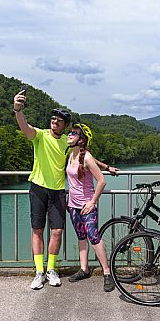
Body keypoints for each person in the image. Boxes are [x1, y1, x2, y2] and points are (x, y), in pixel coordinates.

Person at [13, 88, 118, 290]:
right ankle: (39, 272)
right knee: (37, 230)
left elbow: (86, 156)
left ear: (65, 126)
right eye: (53, 119)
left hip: (59, 192)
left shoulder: (67, 143)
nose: (55, 122)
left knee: (58, 232)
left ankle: (51, 269)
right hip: (38, 188)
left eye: (59, 121)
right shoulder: (41, 136)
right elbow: (25, 128)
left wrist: (106, 167)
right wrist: (18, 109)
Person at [66, 123, 115, 292]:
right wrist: (106, 165)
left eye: (74, 133)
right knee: (81, 236)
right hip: (73, 205)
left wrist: (93, 201)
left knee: (94, 237)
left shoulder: (86, 157)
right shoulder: (70, 154)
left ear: (81, 139)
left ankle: (107, 272)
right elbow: (95, 162)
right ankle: (84, 269)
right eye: (70, 132)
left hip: (87, 205)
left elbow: (102, 181)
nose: (69, 134)